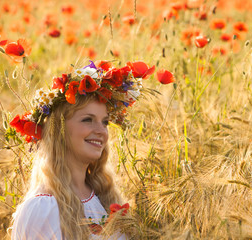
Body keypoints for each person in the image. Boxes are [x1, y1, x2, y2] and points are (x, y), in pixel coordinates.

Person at [10, 60, 156, 239]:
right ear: (59, 131)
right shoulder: (43, 209)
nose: (101, 131)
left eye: (104, 122)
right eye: (88, 119)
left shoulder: (106, 197)